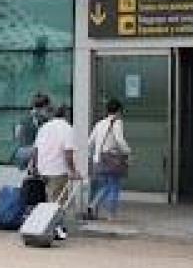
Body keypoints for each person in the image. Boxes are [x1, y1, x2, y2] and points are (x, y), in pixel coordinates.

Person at [32, 105, 82, 238]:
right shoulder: (67, 129)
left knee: (50, 199)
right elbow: (68, 152)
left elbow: (36, 149)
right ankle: (55, 228)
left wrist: (36, 166)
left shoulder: (45, 127)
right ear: (67, 116)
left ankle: (50, 227)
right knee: (57, 202)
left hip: (43, 168)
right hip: (58, 169)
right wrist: (73, 171)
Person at [86, 100, 131, 221]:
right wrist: (128, 151)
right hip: (112, 159)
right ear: (118, 111)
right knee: (114, 185)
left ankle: (92, 205)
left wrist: (93, 157)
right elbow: (119, 140)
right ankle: (111, 214)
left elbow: (90, 142)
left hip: (99, 159)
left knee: (106, 185)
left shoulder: (99, 123)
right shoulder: (117, 122)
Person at [13, 92, 52, 171]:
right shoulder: (43, 120)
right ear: (44, 107)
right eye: (47, 108)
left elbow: (17, 134)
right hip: (32, 154)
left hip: (23, 153)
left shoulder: (24, 119)